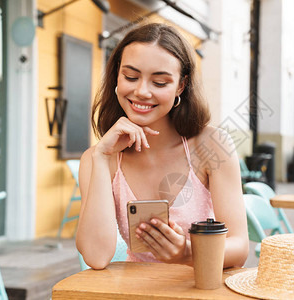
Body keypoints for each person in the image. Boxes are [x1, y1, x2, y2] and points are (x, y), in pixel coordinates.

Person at [76, 22, 249, 270]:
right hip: (138, 291)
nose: (142, 91)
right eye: (131, 77)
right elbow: (95, 256)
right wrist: (102, 157)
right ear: (116, 76)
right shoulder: (97, 158)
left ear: (181, 85)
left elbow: (240, 246)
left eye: (159, 82)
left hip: (200, 289)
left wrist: (187, 252)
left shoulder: (212, 145)